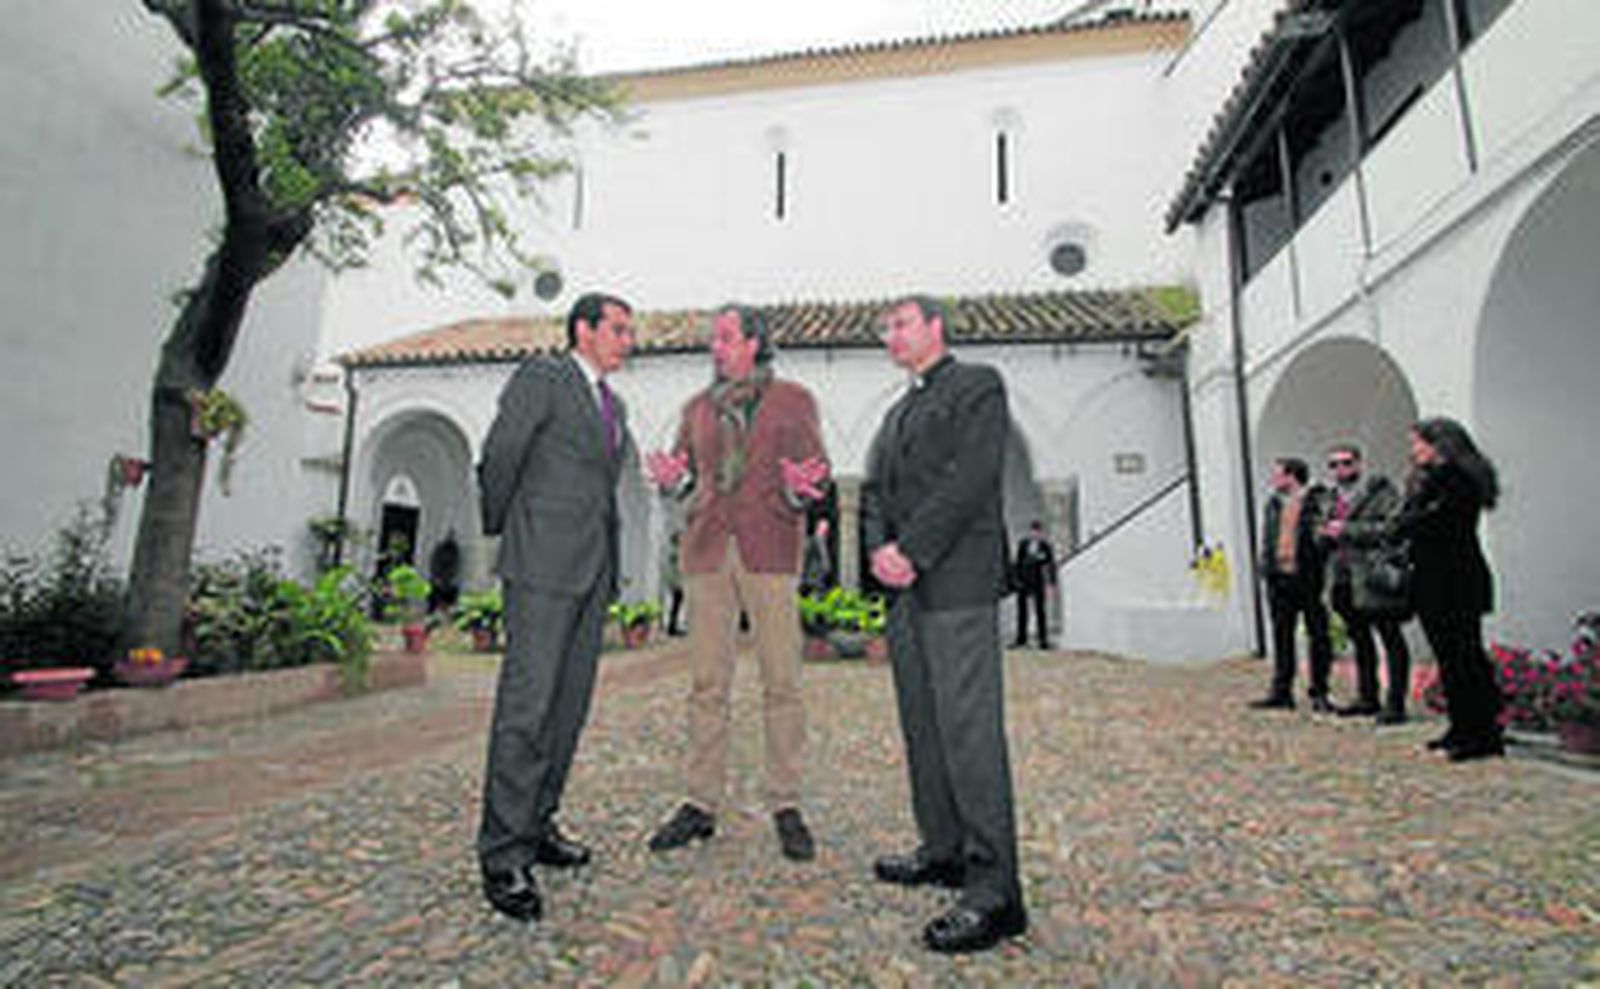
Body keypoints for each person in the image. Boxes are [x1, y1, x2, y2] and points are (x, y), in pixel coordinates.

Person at [861, 295, 1027, 954]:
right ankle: (944, 849)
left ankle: (996, 892)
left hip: (956, 579)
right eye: (885, 329)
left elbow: (972, 477)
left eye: (900, 323)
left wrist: (911, 548)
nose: (890, 336)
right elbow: (873, 489)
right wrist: (879, 552)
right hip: (907, 591)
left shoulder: (977, 385)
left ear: (935, 327)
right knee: (924, 726)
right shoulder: (898, 410)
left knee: (969, 733)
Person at [644, 304, 830, 862]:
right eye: (713, 339)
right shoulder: (695, 409)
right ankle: (699, 803)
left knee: (782, 682)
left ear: (754, 342)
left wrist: (800, 488)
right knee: (707, 684)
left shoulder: (795, 401)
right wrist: (675, 483)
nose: (714, 347)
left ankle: (787, 802)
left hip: (770, 549)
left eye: (725, 337)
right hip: (706, 552)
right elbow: (686, 478)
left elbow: (812, 476)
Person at [474, 292, 636, 923]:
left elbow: (600, 485)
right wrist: (507, 531)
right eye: (618, 329)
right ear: (583, 330)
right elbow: (502, 457)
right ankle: (503, 854)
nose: (628, 340)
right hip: (541, 566)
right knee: (527, 707)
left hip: (592, 572)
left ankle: (538, 825)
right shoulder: (544, 376)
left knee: (567, 710)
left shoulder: (614, 405)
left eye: (630, 331)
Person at [1394, 417, 1504, 761]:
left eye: (1417, 444)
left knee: (1464, 659)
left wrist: (1408, 520)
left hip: (1454, 581)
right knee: (1449, 658)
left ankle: (1481, 734)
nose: (1413, 451)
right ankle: (1461, 727)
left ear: (1438, 445)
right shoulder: (1433, 480)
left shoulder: (1457, 480)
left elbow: (1429, 523)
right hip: (1434, 579)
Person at [1318, 443, 1412, 724]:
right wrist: (1323, 534)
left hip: (1373, 577)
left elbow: (1393, 529)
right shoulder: (1330, 498)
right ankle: (1367, 697)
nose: (1340, 469)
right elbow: (1321, 533)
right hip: (1342, 578)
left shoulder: (1381, 493)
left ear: (1358, 464)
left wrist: (1348, 530)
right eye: (1333, 465)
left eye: (1345, 463)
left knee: (1390, 638)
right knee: (1360, 640)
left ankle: (1396, 703)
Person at [1249, 457, 1334, 712]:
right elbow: (1268, 537)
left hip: (1307, 577)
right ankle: (1281, 691)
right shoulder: (1274, 503)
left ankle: (1319, 691)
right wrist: (1265, 568)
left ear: (1291, 476)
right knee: (1281, 635)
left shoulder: (1316, 501)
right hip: (1279, 577)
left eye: (1278, 474)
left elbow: (1323, 537)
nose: (1274, 479)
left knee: (1318, 635)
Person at [1010, 520, 1057, 649]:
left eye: (1038, 532)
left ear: (1041, 533)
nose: (1035, 534)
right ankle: (1021, 639)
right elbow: (1017, 563)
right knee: (1022, 612)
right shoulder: (1023, 544)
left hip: (1038, 581)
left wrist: (1052, 583)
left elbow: (1051, 565)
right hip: (1024, 581)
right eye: (1033, 531)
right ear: (1030, 532)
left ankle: (1043, 640)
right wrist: (1016, 581)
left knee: (1040, 611)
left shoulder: (1046, 546)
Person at [800, 517, 834, 596]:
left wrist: (827, 569)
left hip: (822, 576)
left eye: (826, 528)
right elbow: (807, 558)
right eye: (824, 528)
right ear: (818, 527)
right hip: (814, 575)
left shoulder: (824, 541)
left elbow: (825, 557)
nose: (826, 530)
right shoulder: (812, 540)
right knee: (814, 595)